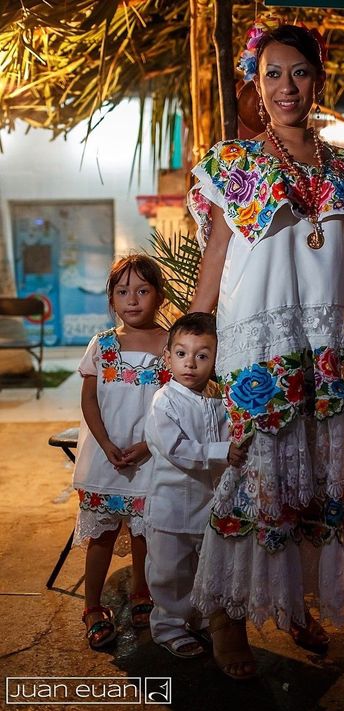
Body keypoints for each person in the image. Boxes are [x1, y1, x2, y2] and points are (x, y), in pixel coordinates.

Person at [187, 22, 344, 679]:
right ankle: (227, 619)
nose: (285, 87)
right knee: (254, 485)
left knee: (316, 488)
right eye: (272, 73)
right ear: (256, 83)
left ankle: (297, 606)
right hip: (258, 353)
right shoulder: (234, 164)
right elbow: (214, 261)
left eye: (298, 72)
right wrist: (188, 342)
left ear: (317, 80)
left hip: (323, 353)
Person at [72, 254, 170, 649]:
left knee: (147, 533)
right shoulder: (103, 344)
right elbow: (90, 401)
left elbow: (176, 403)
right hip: (106, 458)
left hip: (152, 457)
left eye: (143, 290)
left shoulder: (171, 344)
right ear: (111, 300)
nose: (133, 299)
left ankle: (142, 592)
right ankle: (92, 606)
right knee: (103, 535)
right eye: (123, 291)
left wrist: (149, 444)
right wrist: (107, 444)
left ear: (159, 297)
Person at [144, 313, 247, 658]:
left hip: (208, 506)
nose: (191, 364)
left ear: (216, 359)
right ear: (168, 357)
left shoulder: (218, 401)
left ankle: (201, 616)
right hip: (171, 507)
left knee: (204, 566)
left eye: (202, 355)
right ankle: (168, 626)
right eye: (182, 354)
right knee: (170, 571)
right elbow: (177, 450)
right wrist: (223, 452)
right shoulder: (165, 401)